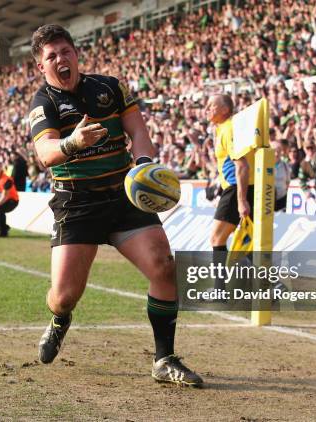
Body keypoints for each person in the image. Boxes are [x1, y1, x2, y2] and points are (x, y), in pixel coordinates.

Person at [27, 24, 202, 386]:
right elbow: (44, 152)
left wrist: (142, 165)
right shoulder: (43, 103)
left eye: (65, 51)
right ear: (41, 66)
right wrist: (72, 143)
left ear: (76, 54)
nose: (61, 59)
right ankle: (60, 321)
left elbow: (138, 132)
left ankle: (164, 358)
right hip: (77, 203)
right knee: (63, 297)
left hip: (123, 195)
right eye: (51, 56)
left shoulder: (110, 86)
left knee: (164, 267)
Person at [207, 94, 254, 253]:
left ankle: (221, 278)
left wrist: (241, 200)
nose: (207, 109)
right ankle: (259, 277)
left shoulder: (229, 129)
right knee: (244, 240)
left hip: (237, 188)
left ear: (225, 110)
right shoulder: (223, 128)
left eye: (211, 105)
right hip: (236, 187)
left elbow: (242, 165)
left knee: (216, 238)